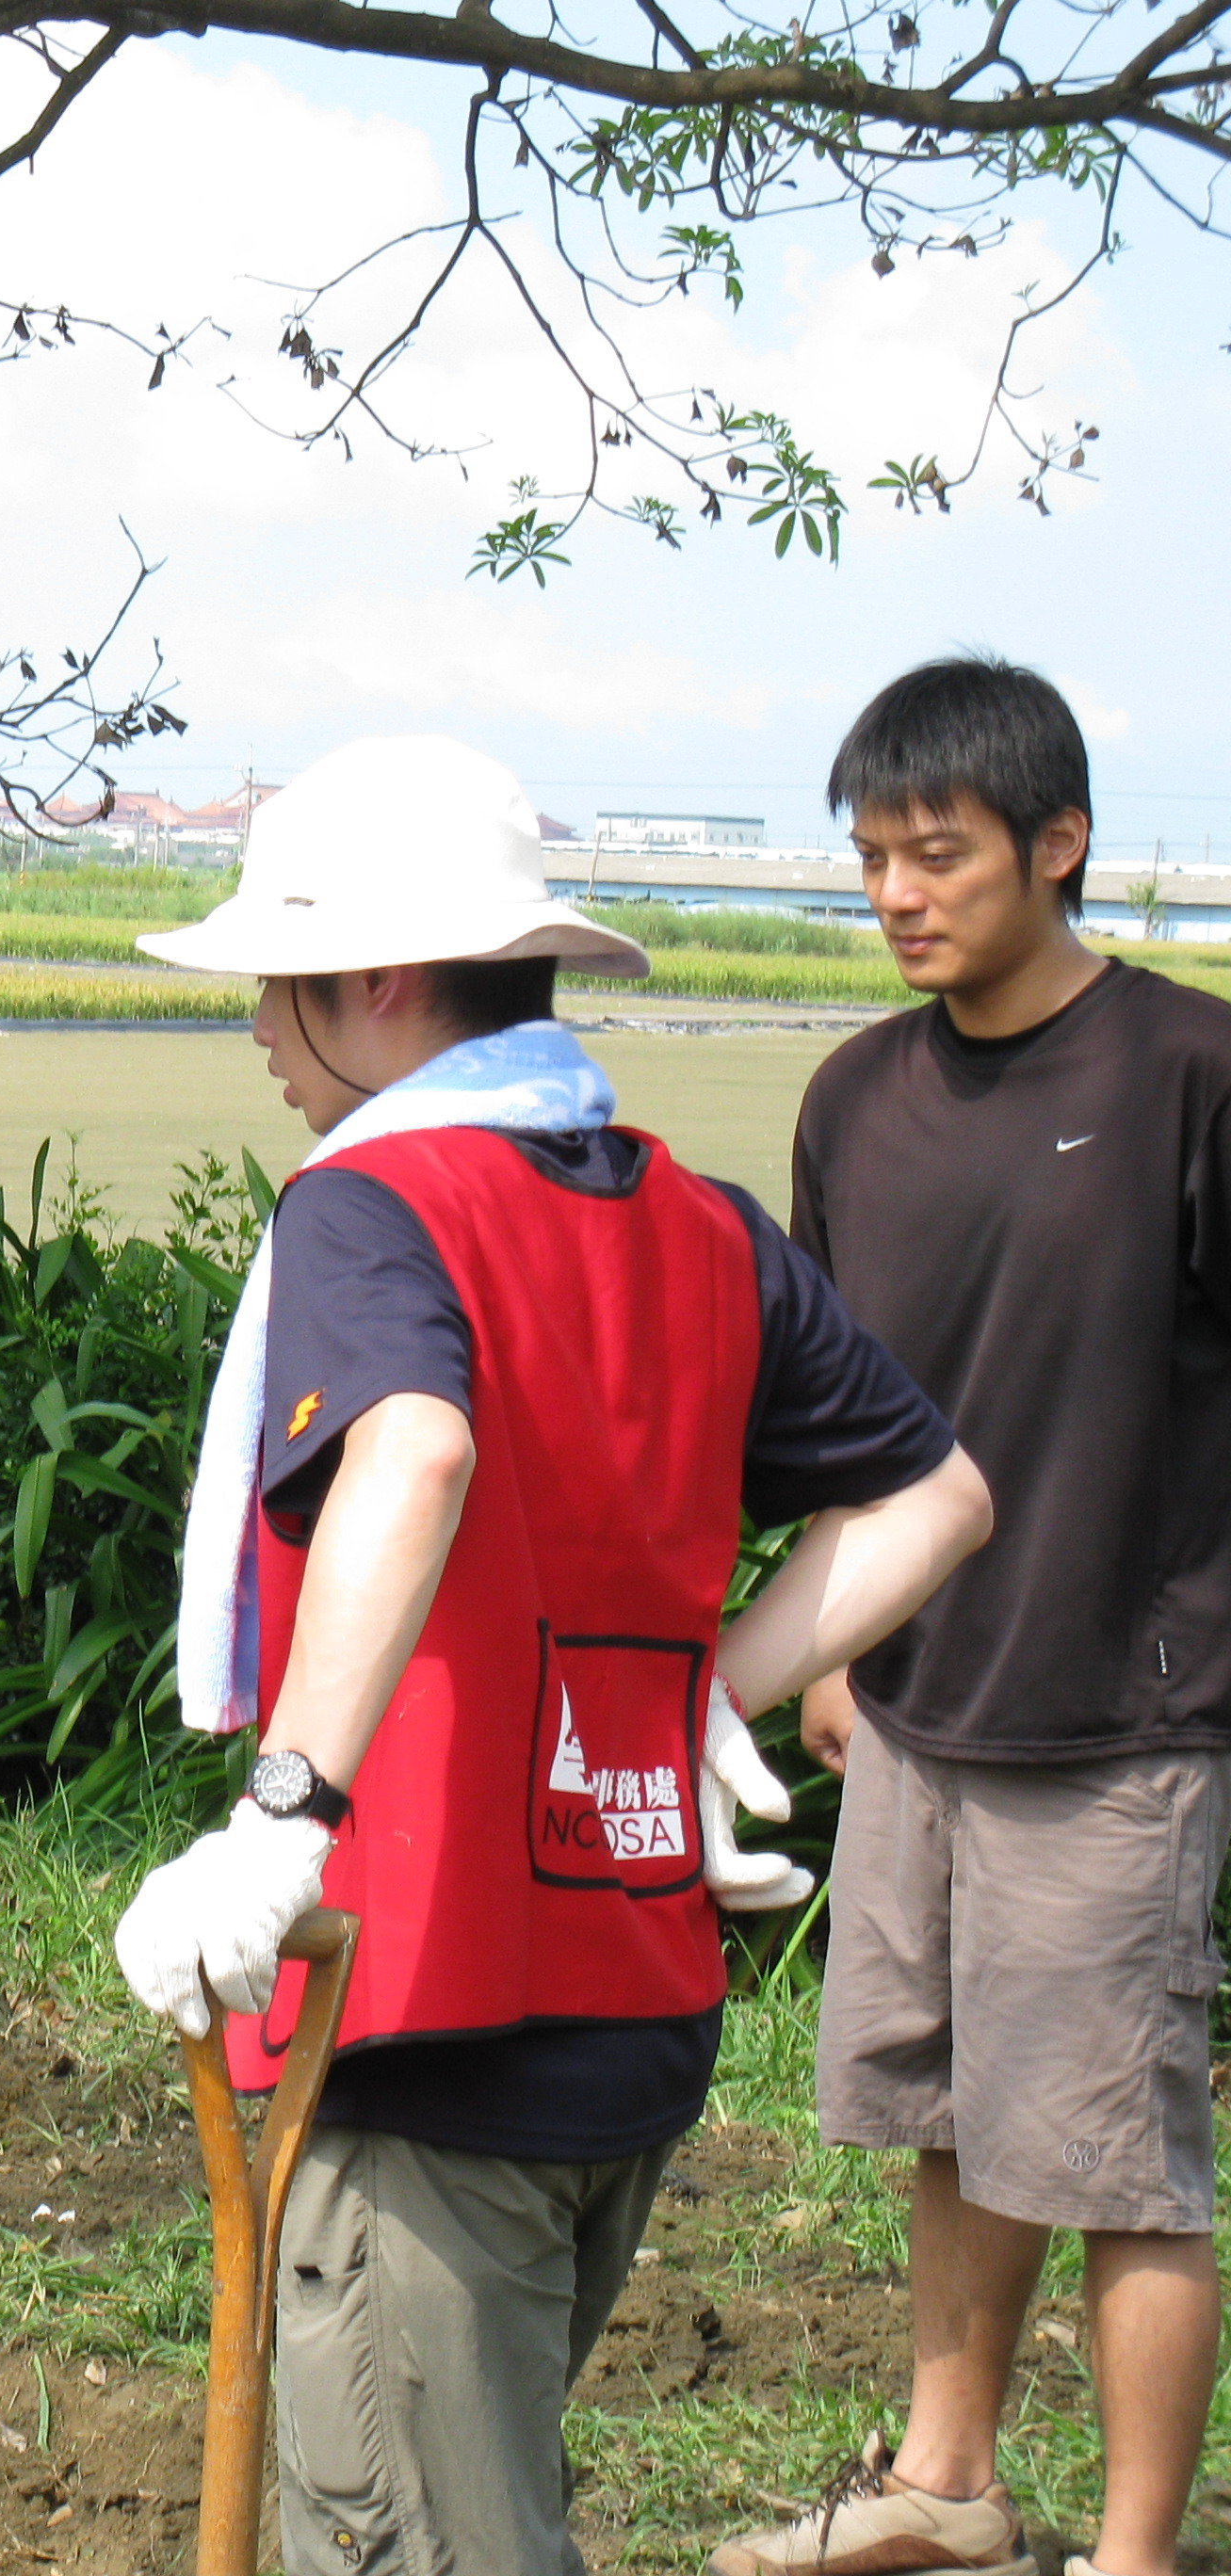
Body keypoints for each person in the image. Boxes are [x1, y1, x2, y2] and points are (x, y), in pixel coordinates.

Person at [107, 733, 995, 2575]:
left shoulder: (376, 1207)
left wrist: (287, 1812)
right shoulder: (692, 1224)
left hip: (428, 2013)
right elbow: (938, 1499)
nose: (261, 1030)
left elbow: (413, 1450)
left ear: (372, 983)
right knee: (457, 2492)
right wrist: (701, 1693)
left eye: (278, 982)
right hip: (628, 2017)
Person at [710, 660, 1231, 2576]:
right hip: (920, 1705)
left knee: (1121, 2161)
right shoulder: (857, 1100)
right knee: (949, 2116)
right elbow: (847, 1409)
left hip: (1126, 1707)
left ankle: (1138, 2551)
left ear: (1059, 847)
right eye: (872, 862)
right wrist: (834, 1646)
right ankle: (947, 2483)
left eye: (938, 855)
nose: (900, 895)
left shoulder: (1192, 1073)